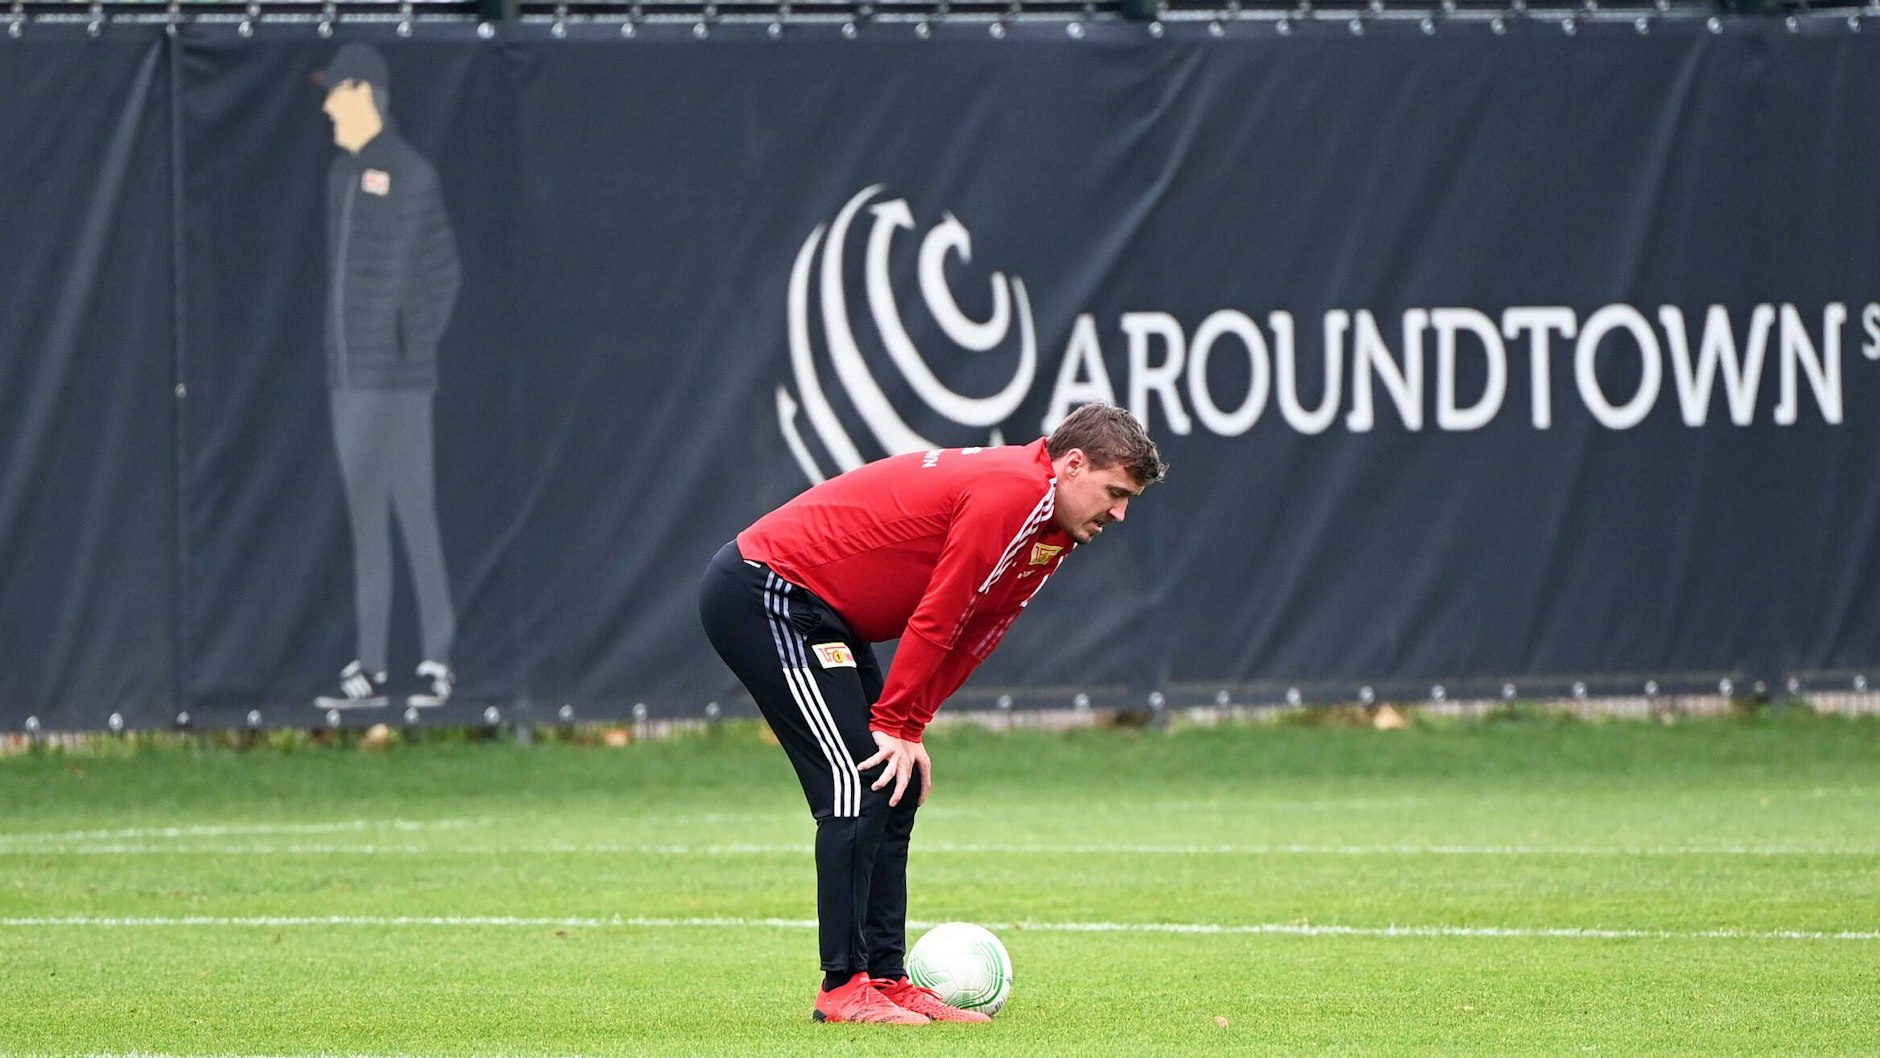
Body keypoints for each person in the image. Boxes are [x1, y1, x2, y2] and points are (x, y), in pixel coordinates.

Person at [698, 401, 1165, 1024]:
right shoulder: (1015, 494)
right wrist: (893, 723)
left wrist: (910, 727)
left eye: (1128, 498)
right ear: (1072, 463)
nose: (1120, 512)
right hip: (766, 592)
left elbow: (980, 629)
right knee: (856, 785)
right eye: (1114, 491)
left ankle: (887, 978)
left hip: (825, 615)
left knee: (895, 785)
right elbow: (939, 614)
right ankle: (842, 988)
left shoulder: (1054, 524)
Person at [311, 44, 461, 712]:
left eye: (335, 94)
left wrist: (405, 348)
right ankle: (368, 667)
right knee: (365, 522)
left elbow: (443, 274)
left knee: (414, 516)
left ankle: (437, 660)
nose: (326, 108)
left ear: (364, 93)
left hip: (400, 388)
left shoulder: (411, 174)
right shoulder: (341, 178)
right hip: (349, 385)